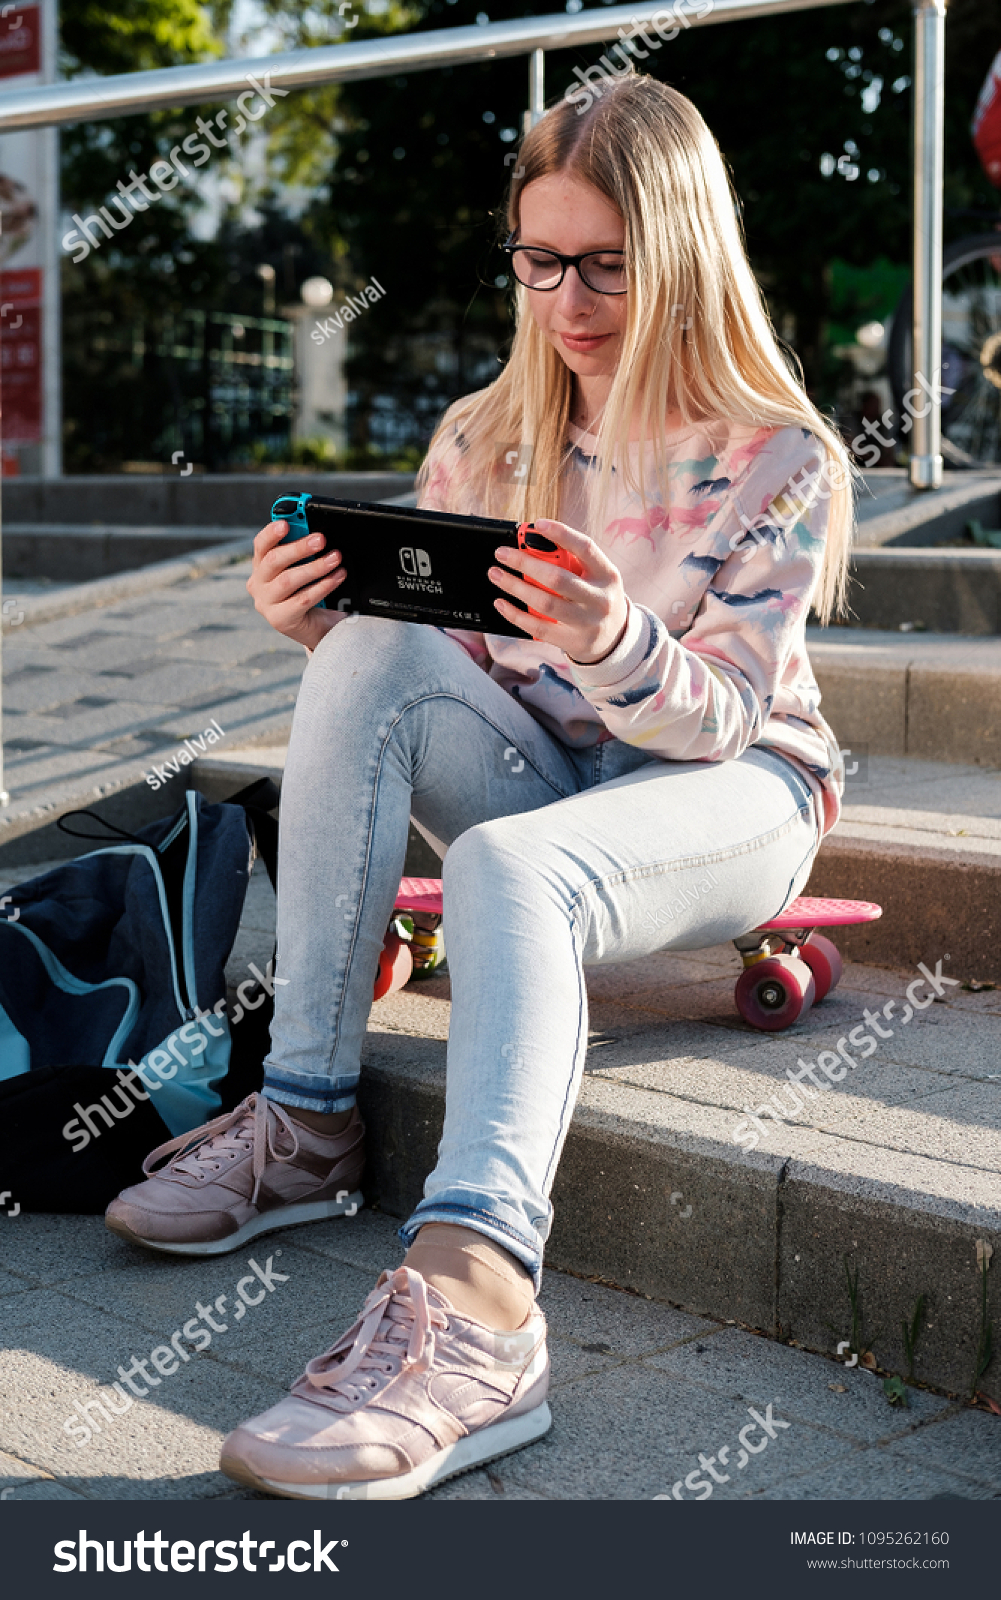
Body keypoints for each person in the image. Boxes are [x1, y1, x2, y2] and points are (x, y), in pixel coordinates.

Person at [105, 71, 851, 1500]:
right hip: (547, 778)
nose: (566, 302)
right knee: (370, 650)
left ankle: (483, 1306)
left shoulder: (773, 454)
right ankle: (308, 1122)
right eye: (539, 260)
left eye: (606, 267)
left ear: (682, 252)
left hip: (733, 795)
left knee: (521, 869)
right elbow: (436, 673)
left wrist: (612, 639)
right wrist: (324, 627)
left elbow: (722, 717)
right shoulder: (484, 437)